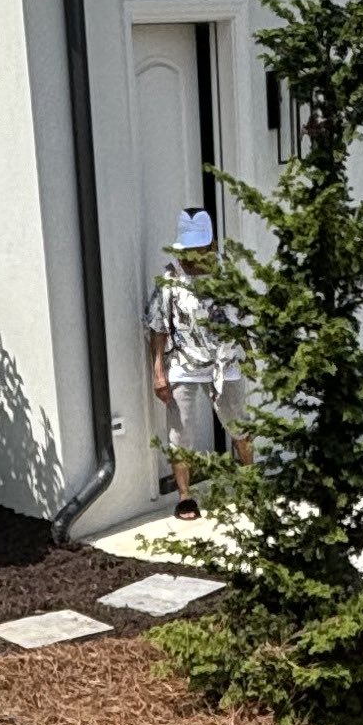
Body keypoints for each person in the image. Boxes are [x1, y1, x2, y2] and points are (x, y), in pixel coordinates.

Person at [146, 205, 234, 514]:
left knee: (238, 423)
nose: (192, 254)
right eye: (188, 248)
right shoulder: (171, 279)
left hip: (224, 361)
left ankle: (249, 483)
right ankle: (185, 496)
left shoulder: (227, 274)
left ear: (211, 245)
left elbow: (244, 316)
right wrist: (158, 371)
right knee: (180, 431)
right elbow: (157, 325)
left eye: (200, 247)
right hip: (182, 362)